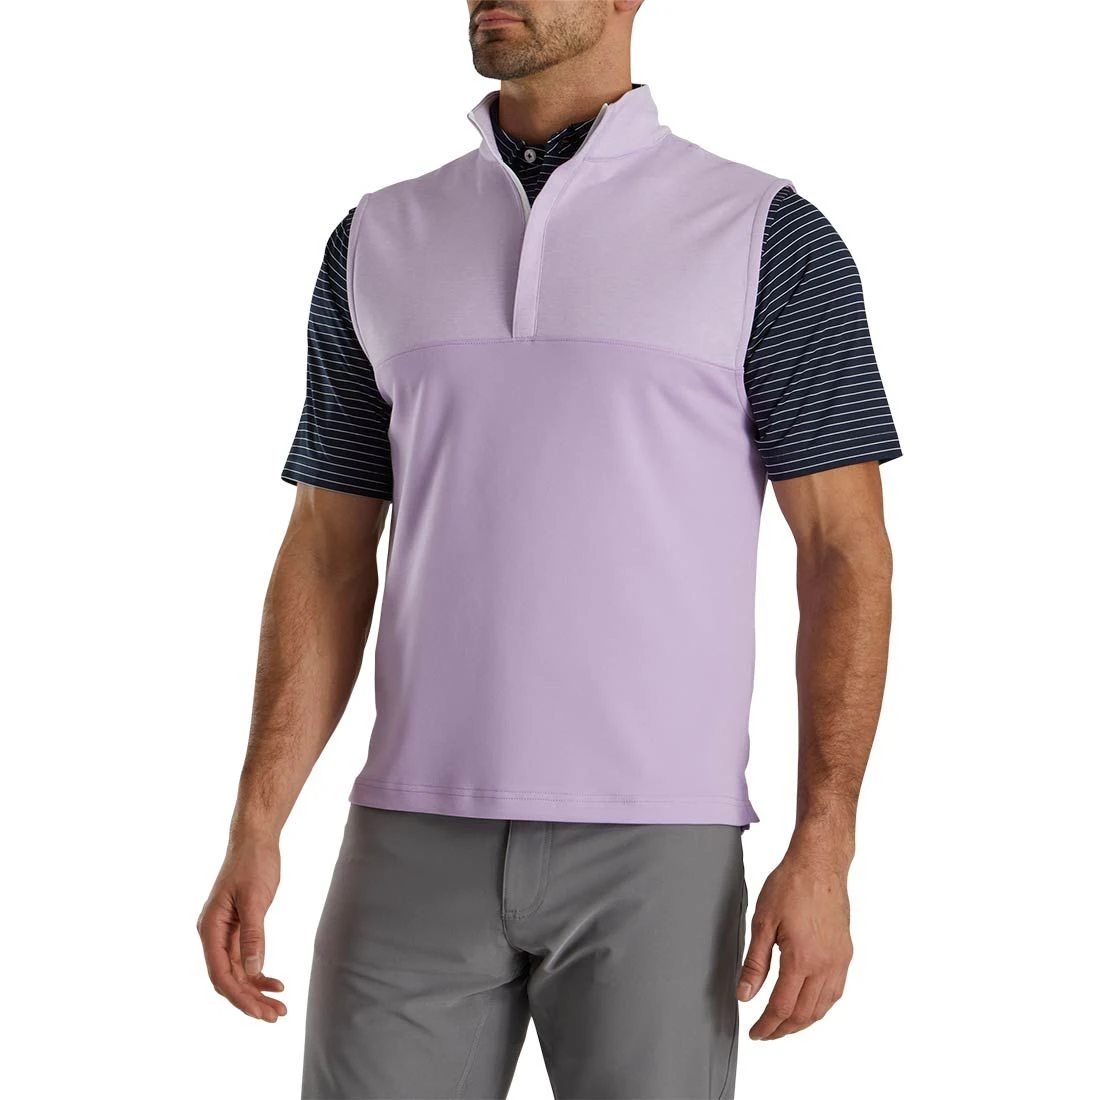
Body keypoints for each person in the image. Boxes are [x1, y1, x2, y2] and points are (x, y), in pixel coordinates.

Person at [196, 2, 902, 1096]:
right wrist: (256, 819)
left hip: (656, 840)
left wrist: (826, 841)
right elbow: (328, 549)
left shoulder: (764, 232)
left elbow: (845, 551)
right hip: (408, 831)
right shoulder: (377, 236)